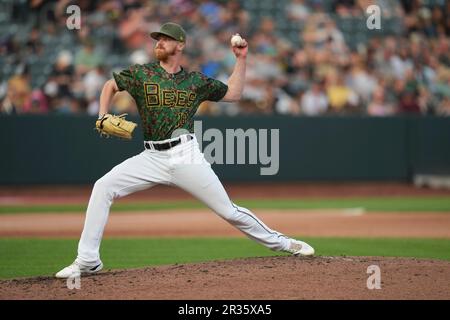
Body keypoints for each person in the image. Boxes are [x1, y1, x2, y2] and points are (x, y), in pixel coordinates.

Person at [55, 22, 314, 278]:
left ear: (180, 45)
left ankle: (284, 243)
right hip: (151, 156)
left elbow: (234, 93)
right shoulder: (141, 73)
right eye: (157, 39)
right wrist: (102, 114)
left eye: (165, 39)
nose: (159, 42)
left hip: (185, 154)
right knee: (103, 187)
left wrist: (241, 59)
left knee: (228, 211)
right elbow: (109, 86)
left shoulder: (194, 80)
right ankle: (88, 260)